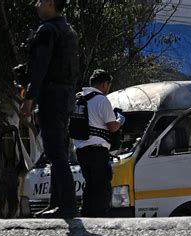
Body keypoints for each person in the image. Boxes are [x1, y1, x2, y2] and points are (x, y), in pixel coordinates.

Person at [17, 0, 80, 218]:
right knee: (57, 150)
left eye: (41, 1)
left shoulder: (48, 30)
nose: (36, 5)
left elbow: (40, 67)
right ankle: (57, 202)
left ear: (51, 4)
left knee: (54, 150)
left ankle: (68, 205)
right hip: (65, 95)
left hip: (52, 96)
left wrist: (29, 98)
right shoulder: (68, 31)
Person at [71, 69, 125, 217]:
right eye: (108, 85)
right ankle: (100, 219)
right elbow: (112, 127)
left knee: (90, 185)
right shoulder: (101, 99)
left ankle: (87, 215)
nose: (108, 89)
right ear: (104, 84)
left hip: (80, 150)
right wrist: (120, 119)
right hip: (97, 150)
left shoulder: (78, 98)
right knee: (102, 186)